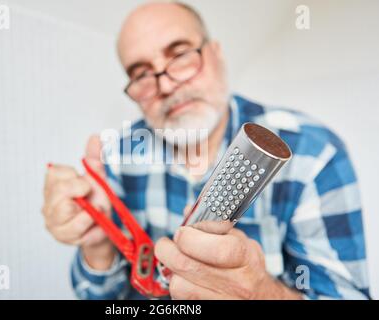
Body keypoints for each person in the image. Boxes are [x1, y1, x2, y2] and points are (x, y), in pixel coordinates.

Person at [42, 1, 370, 299]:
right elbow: (102, 298)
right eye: (142, 74)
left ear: (216, 53)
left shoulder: (312, 152)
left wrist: (262, 294)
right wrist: (98, 246)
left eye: (181, 54)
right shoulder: (119, 156)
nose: (166, 85)